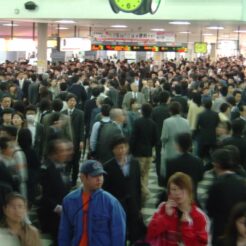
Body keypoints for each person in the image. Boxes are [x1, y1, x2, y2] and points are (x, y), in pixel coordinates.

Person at [58, 160, 126, 246]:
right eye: (94, 175)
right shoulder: (69, 200)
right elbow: (64, 232)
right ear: (83, 177)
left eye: (101, 175)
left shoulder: (111, 202)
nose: (99, 179)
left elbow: (118, 234)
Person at [146, 172, 209, 246]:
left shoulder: (199, 216)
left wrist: (186, 227)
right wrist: (166, 217)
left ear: (189, 190)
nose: (178, 193)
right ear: (169, 193)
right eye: (174, 189)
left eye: (182, 188)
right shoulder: (163, 207)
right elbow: (150, 234)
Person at [103, 136, 146, 244]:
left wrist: (139, 206)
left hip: (133, 204)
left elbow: (137, 185)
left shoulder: (134, 163)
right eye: (118, 148)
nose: (121, 151)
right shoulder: (108, 167)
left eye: (123, 147)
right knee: (119, 233)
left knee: (135, 233)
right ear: (113, 150)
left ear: (127, 148)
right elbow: (106, 190)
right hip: (117, 204)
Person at [206, 148, 246, 245]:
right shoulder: (243, 182)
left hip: (220, 232)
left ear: (216, 164)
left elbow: (210, 210)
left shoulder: (216, 185)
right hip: (240, 232)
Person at [38, 139, 71, 244]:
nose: (66, 153)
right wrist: (57, 208)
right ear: (53, 153)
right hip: (51, 214)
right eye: (62, 151)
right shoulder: (46, 169)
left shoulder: (62, 167)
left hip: (63, 211)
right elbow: (43, 194)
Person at [130, 103, 158, 202]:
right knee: (146, 174)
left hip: (138, 153)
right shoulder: (153, 124)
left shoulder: (137, 122)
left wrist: (131, 150)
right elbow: (155, 139)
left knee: (138, 174)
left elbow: (133, 138)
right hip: (149, 152)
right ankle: (143, 192)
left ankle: (144, 192)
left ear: (141, 111)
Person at [165, 133, 204, 197]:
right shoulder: (198, 161)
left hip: (176, 196)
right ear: (190, 145)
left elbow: (168, 181)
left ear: (178, 145)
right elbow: (200, 178)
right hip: (192, 196)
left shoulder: (171, 162)